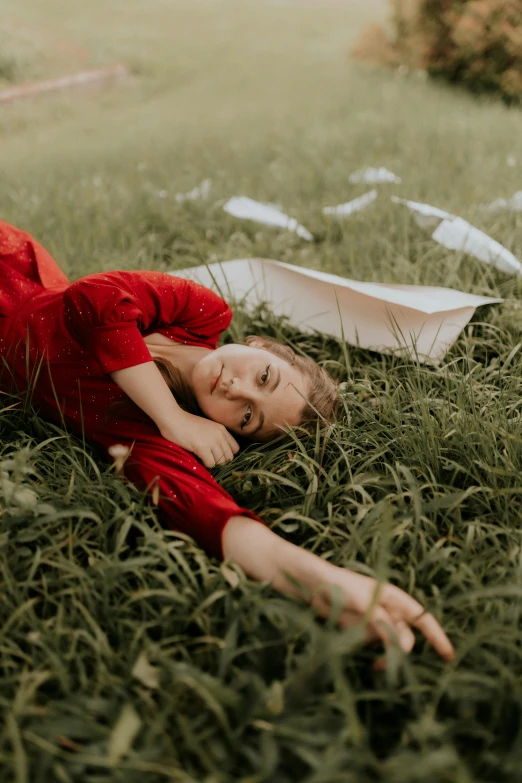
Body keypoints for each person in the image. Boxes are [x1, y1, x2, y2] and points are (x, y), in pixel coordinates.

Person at [0, 219, 454, 665]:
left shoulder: (144, 432)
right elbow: (92, 298)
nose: (237, 390)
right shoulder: (200, 313)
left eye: (248, 416)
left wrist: (325, 582)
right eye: (264, 376)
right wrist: (173, 416)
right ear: (259, 345)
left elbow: (207, 510)